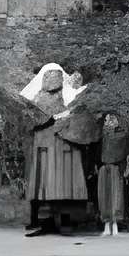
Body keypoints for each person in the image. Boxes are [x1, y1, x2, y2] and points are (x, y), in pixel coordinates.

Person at [22, 62, 97, 236]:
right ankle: (46, 222)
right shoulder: (37, 97)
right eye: (49, 75)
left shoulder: (69, 94)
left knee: (64, 181)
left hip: (64, 143)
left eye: (56, 75)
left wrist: (65, 118)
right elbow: (30, 119)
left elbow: (79, 113)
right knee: (45, 183)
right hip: (44, 143)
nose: (52, 79)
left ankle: (65, 221)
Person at [96, 112, 129, 237]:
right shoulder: (101, 136)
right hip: (103, 168)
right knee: (104, 196)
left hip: (116, 168)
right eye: (106, 120)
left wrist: (126, 169)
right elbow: (96, 152)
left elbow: (127, 153)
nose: (108, 122)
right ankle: (106, 224)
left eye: (110, 120)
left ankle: (116, 223)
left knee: (116, 196)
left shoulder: (123, 136)